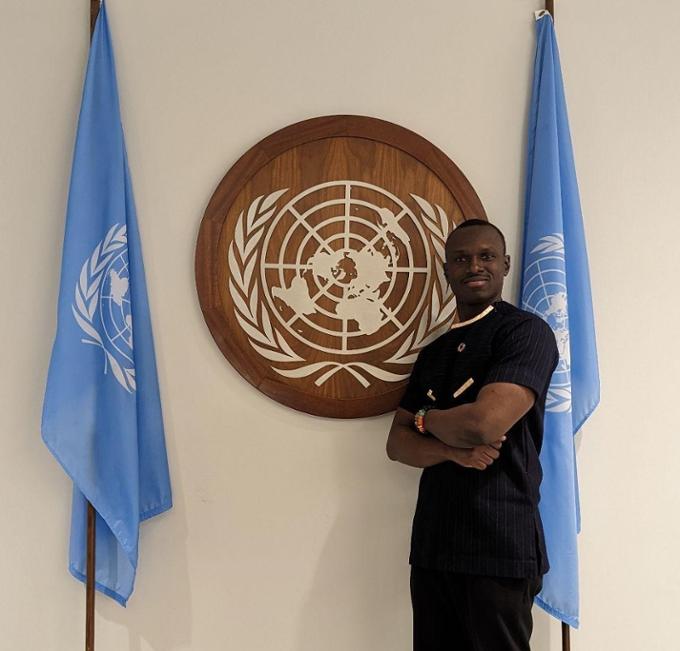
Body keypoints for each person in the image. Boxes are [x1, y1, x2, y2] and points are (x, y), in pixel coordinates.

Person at [386, 219, 558, 651]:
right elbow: (397, 443)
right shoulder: (434, 353)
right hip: (434, 546)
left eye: (486, 256)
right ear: (447, 272)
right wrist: (446, 445)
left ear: (505, 265)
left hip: (498, 544)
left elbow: (484, 424)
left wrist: (424, 419)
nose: (474, 266)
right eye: (461, 259)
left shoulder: (525, 333)